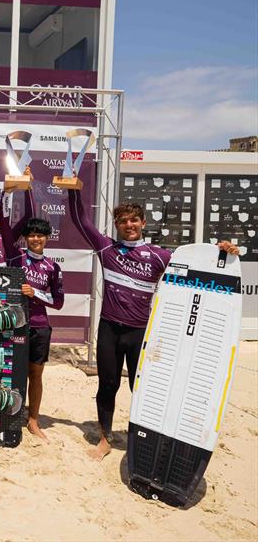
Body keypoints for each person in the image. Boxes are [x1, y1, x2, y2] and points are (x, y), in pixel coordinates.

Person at [66, 189, 240, 460]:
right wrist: (74, 190)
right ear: (117, 225)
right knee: (108, 385)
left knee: (143, 388)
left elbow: (197, 265)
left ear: (143, 223)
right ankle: (105, 438)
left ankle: (142, 439)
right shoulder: (107, 249)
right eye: (123, 221)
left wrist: (221, 251)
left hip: (140, 333)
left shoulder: (159, 256)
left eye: (134, 220)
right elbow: (79, 220)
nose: (129, 225)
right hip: (110, 330)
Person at [0, 212, 64, 442]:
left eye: (40, 235)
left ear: (47, 238)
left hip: (39, 326)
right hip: (14, 324)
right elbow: (5, 230)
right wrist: (9, 194)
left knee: (35, 374)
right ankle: (10, 412)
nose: (36, 239)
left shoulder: (52, 267)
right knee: (10, 371)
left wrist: (34, 293)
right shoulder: (15, 257)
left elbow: (58, 302)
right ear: (25, 238)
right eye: (31, 235)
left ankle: (33, 420)